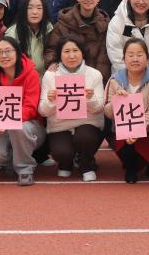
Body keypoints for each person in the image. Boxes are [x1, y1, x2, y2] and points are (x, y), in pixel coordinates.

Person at [38, 35, 106, 181]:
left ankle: (86, 163)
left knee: (85, 137)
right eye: (66, 51)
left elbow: (100, 108)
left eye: (75, 50)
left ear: (83, 52)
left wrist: (89, 99)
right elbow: (42, 111)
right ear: (59, 54)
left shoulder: (94, 74)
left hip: (87, 123)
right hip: (59, 126)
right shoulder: (50, 75)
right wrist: (51, 101)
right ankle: (66, 162)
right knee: (62, 152)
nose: (71, 56)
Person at [104, 38, 149, 183]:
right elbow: (107, 112)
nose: (135, 59)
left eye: (140, 55)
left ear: (147, 58)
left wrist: (137, 130)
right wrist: (115, 101)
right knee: (126, 146)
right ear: (124, 59)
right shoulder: (114, 80)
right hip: (125, 131)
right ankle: (131, 168)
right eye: (130, 55)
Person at [0, 35, 45, 186]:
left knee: (19, 128)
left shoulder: (31, 74)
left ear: (17, 52)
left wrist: (10, 121)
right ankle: (14, 158)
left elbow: (31, 108)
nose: (4, 55)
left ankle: (25, 169)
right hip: (4, 127)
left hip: (30, 126)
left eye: (8, 51)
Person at [45, 0, 112, 82]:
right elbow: (51, 48)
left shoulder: (105, 25)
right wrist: (52, 62)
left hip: (95, 79)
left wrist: (97, 78)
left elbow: (104, 56)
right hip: (67, 78)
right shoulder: (63, 23)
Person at [9, 0, 54, 77]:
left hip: (46, 78)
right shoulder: (12, 33)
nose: (35, 12)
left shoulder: (50, 29)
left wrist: (53, 63)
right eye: (30, 8)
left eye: (39, 8)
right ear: (23, 10)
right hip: (23, 79)